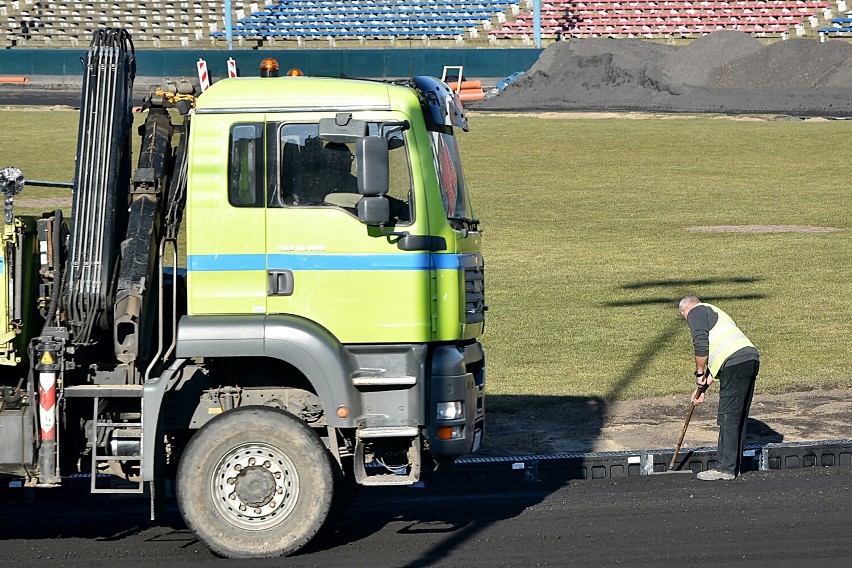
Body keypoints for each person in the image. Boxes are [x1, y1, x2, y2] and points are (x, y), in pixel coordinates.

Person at [678, 296, 760, 481]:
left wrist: (699, 374)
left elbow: (701, 344)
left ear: (684, 311)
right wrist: (703, 388)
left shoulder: (696, 311)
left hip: (734, 362)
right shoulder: (715, 312)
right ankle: (733, 466)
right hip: (749, 358)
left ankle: (725, 469)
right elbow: (719, 359)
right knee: (738, 415)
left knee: (728, 415)